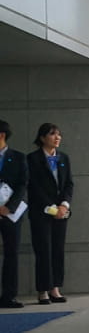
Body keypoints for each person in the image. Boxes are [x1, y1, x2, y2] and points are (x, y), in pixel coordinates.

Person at [27, 123, 73, 305]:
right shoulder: (32, 159)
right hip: (41, 212)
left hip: (61, 212)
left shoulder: (64, 158)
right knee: (43, 250)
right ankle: (43, 290)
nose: (57, 138)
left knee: (57, 250)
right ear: (42, 138)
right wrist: (51, 206)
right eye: (53, 134)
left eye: (59, 135)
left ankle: (55, 288)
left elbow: (69, 184)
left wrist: (64, 205)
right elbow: (33, 187)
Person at [0, 119, 28, 309]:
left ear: (2, 135)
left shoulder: (18, 157)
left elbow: (23, 184)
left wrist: (9, 207)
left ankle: (9, 296)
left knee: (11, 253)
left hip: (11, 213)